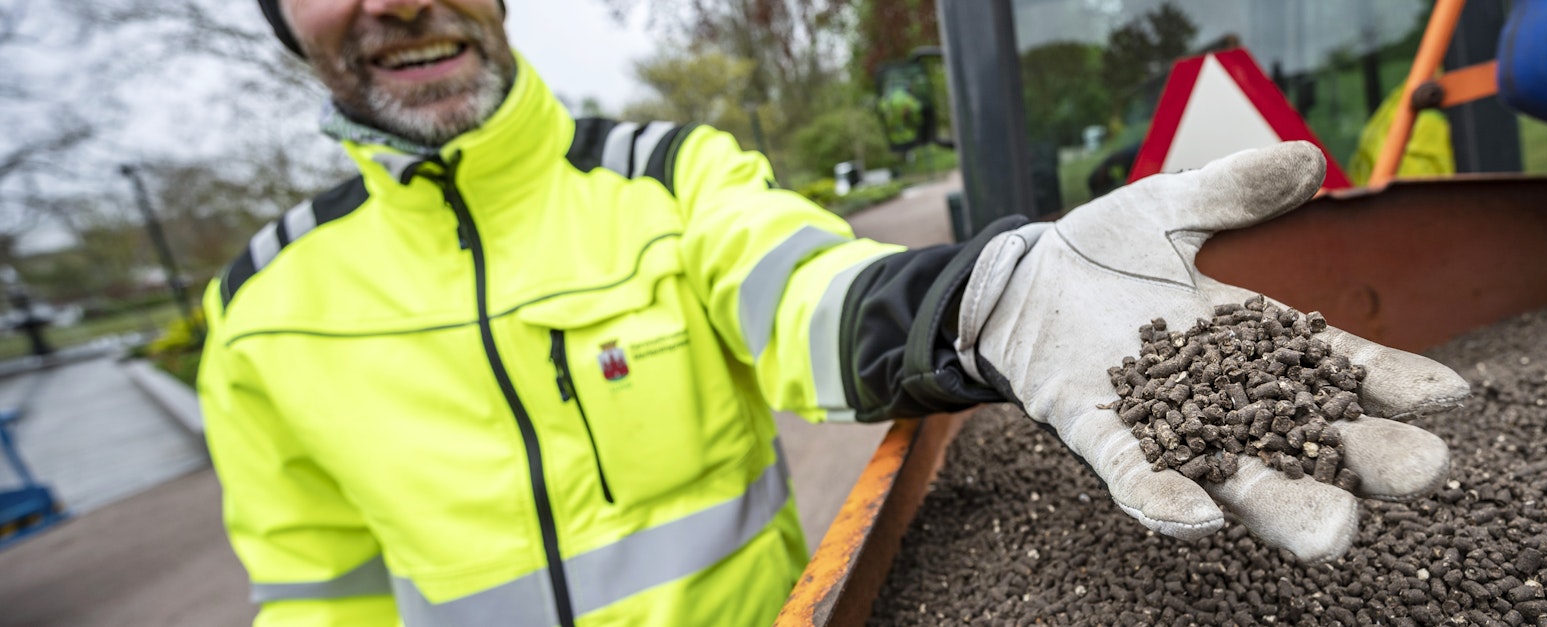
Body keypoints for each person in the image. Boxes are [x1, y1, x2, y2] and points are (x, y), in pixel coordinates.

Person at [206, 1, 1472, 624]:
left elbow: (806, 291)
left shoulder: (665, 176)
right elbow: (317, 594)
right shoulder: (259, 305)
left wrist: (987, 294)